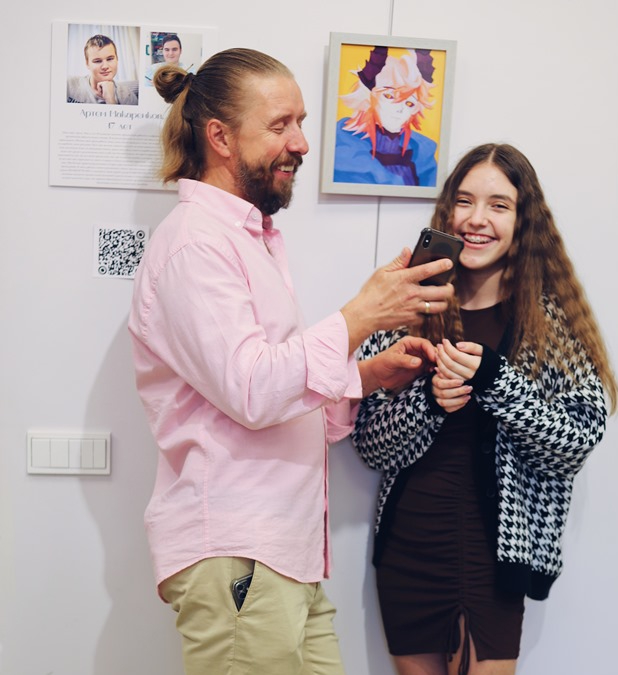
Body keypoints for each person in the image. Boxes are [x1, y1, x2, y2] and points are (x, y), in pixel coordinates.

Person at [128, 48, 454, 675]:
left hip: (283, 557)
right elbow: (253, 390)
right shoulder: (195, 245)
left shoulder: (250, 241)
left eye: (301, 122)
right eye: (280, 125)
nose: (302, 142)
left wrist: (363, 377)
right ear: (220, 137)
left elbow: (274, 395)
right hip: (241, 553)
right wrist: (360, 316)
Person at [351, 143, 618, 675]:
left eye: (499, 205)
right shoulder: (407, 309)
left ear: (523, 221)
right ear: (446, 212)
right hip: (409, 544)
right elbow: (368, 444)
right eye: (465, 201)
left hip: (498, 553)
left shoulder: (550, 324)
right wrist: (428, 402)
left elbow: (575, 442)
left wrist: (498, 382)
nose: (477, 219)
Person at [334, 47, 438, 187]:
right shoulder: (344, 146)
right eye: (389, 96)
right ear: (368, 97)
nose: (400, 109)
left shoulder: (421, 151)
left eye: (409, 103)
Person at [67, 34, 138, 105]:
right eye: (97, 61)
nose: (105, 66)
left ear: (117, 59)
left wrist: (110, 100)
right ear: (87, 63)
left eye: (110, 59)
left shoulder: (127, 96)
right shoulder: (68, 85)